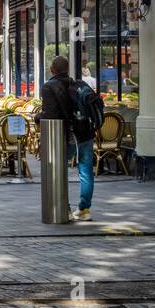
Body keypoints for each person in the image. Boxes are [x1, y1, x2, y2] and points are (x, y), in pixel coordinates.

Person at [40, 54, 94, 221]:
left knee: (59, 171)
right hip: (85, 132)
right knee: (85, 171)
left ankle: (66, 209)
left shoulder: (49, 87)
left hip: (65, 135)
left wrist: (37, 117)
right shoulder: (79, 84)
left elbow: (51, 114)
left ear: (52, 70)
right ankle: (84, 210)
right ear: (67, 68)